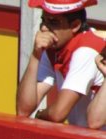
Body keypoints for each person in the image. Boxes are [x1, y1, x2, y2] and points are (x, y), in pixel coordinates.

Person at [16, 0, 104, 128]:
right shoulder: (53, 49)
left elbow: (58, 113)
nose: (44, 28)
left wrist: (40, 114)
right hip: (86, 138)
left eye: (53, 22)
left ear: (75, 25)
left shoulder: (87, 51)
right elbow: (23, 110)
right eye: (43, 20)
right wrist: (36, 55)